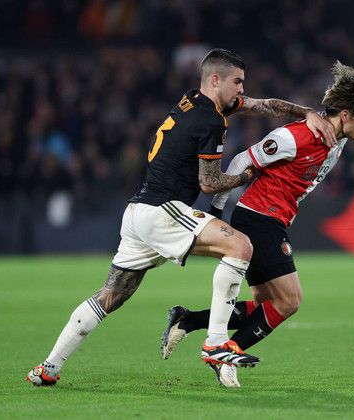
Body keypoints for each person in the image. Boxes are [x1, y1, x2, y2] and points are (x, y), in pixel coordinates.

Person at [26, 48, 336, 386]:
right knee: (241, 247)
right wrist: (245, 177)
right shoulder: (211, 121)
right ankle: (216, 343)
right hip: (164, 210)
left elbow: (264, 106)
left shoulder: (192, 101)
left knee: (110, 295)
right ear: (215, 80)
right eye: (237, 82)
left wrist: (307, 112)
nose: (242, 90)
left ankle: (48, 368)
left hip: (137, 212)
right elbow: (209, 183)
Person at [160, 61, 354, 387]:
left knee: (265, 305)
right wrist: (218, 210)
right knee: (290, 300)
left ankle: (189, 319)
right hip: (259, 218)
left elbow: (328, 120)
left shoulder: (337, 137)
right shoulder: (297, 137)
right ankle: (225, 353)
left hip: (273, 219)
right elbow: (241, 160)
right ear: (346, 115)